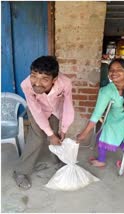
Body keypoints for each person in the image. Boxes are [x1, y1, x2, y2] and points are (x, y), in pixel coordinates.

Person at [77, 58, 124, 169]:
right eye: (111, 70)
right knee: (101, 137)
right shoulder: (106, 90)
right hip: (113, 119)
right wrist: (84, 133)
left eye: (119, 69)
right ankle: (101, 160)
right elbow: (97, 114)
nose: (114, 73)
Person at [13, 55, 75, 190]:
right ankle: (20, 172)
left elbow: (68, 106)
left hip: (55, 110)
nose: (36, 82)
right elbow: (36, 110)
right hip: (37, 110)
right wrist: (49, 134)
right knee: (38, 138)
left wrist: (63, 129)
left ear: (54, 79)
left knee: (58, 136)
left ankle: (58, 161)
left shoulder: (65, 83)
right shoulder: (26, 84)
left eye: (44, 79)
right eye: (34, 75)